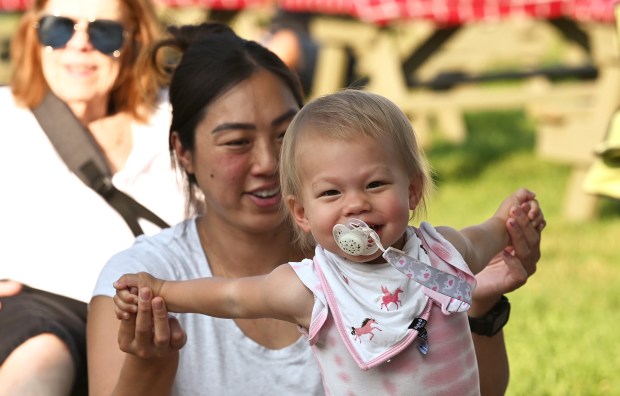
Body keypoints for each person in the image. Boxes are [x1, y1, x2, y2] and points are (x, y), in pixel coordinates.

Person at [89, 22, 545, 396]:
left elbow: (477, 385)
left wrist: (484, 295)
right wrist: (159, 307)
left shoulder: (431, 256)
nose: (269, 163)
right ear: (183, 152)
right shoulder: (302, 286)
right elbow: (230, 296)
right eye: (237, 142)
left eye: (285, 135)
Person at [0, 0, 185, 395]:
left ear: (134, 41)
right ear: (34, 33)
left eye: (104, 32)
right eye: (59, 28)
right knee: (38, 358)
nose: (79, 45)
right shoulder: (6, 117)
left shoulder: (174, 119)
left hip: (165, 312)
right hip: (44, 313)